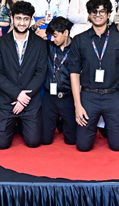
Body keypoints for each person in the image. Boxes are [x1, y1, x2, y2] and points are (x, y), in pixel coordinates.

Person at [68, 0, 119, 152]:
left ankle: (105, 130)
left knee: (118, 146)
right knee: (83, 147)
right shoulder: (79, 40)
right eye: (94, 12)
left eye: (102, 11)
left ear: (109, 14)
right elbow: (74, 73)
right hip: (88, 97)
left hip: (113, 96)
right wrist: (78, 105)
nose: (98, 15)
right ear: (89, 15)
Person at [0, 1, 47, 149]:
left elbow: (41, 73)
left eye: (26, 19)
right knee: (1, 145)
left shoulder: (40, 44)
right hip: (7, 101)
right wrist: (17, 94)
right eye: (18, 18)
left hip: (30, 102)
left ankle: (24, 124)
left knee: (33, 142)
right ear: (12, 18)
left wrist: (23, 99)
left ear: (31, 20)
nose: (22, 23)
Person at [42, 17, 77, 145]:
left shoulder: (77, 48)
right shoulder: (48, 46)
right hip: (50, 97)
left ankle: (62, 121)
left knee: (72, 140)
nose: (53, 39)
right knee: (44, 140)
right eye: (51, 36)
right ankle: (56, 121)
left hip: (68, 96)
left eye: (55, 36)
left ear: (66, 33)